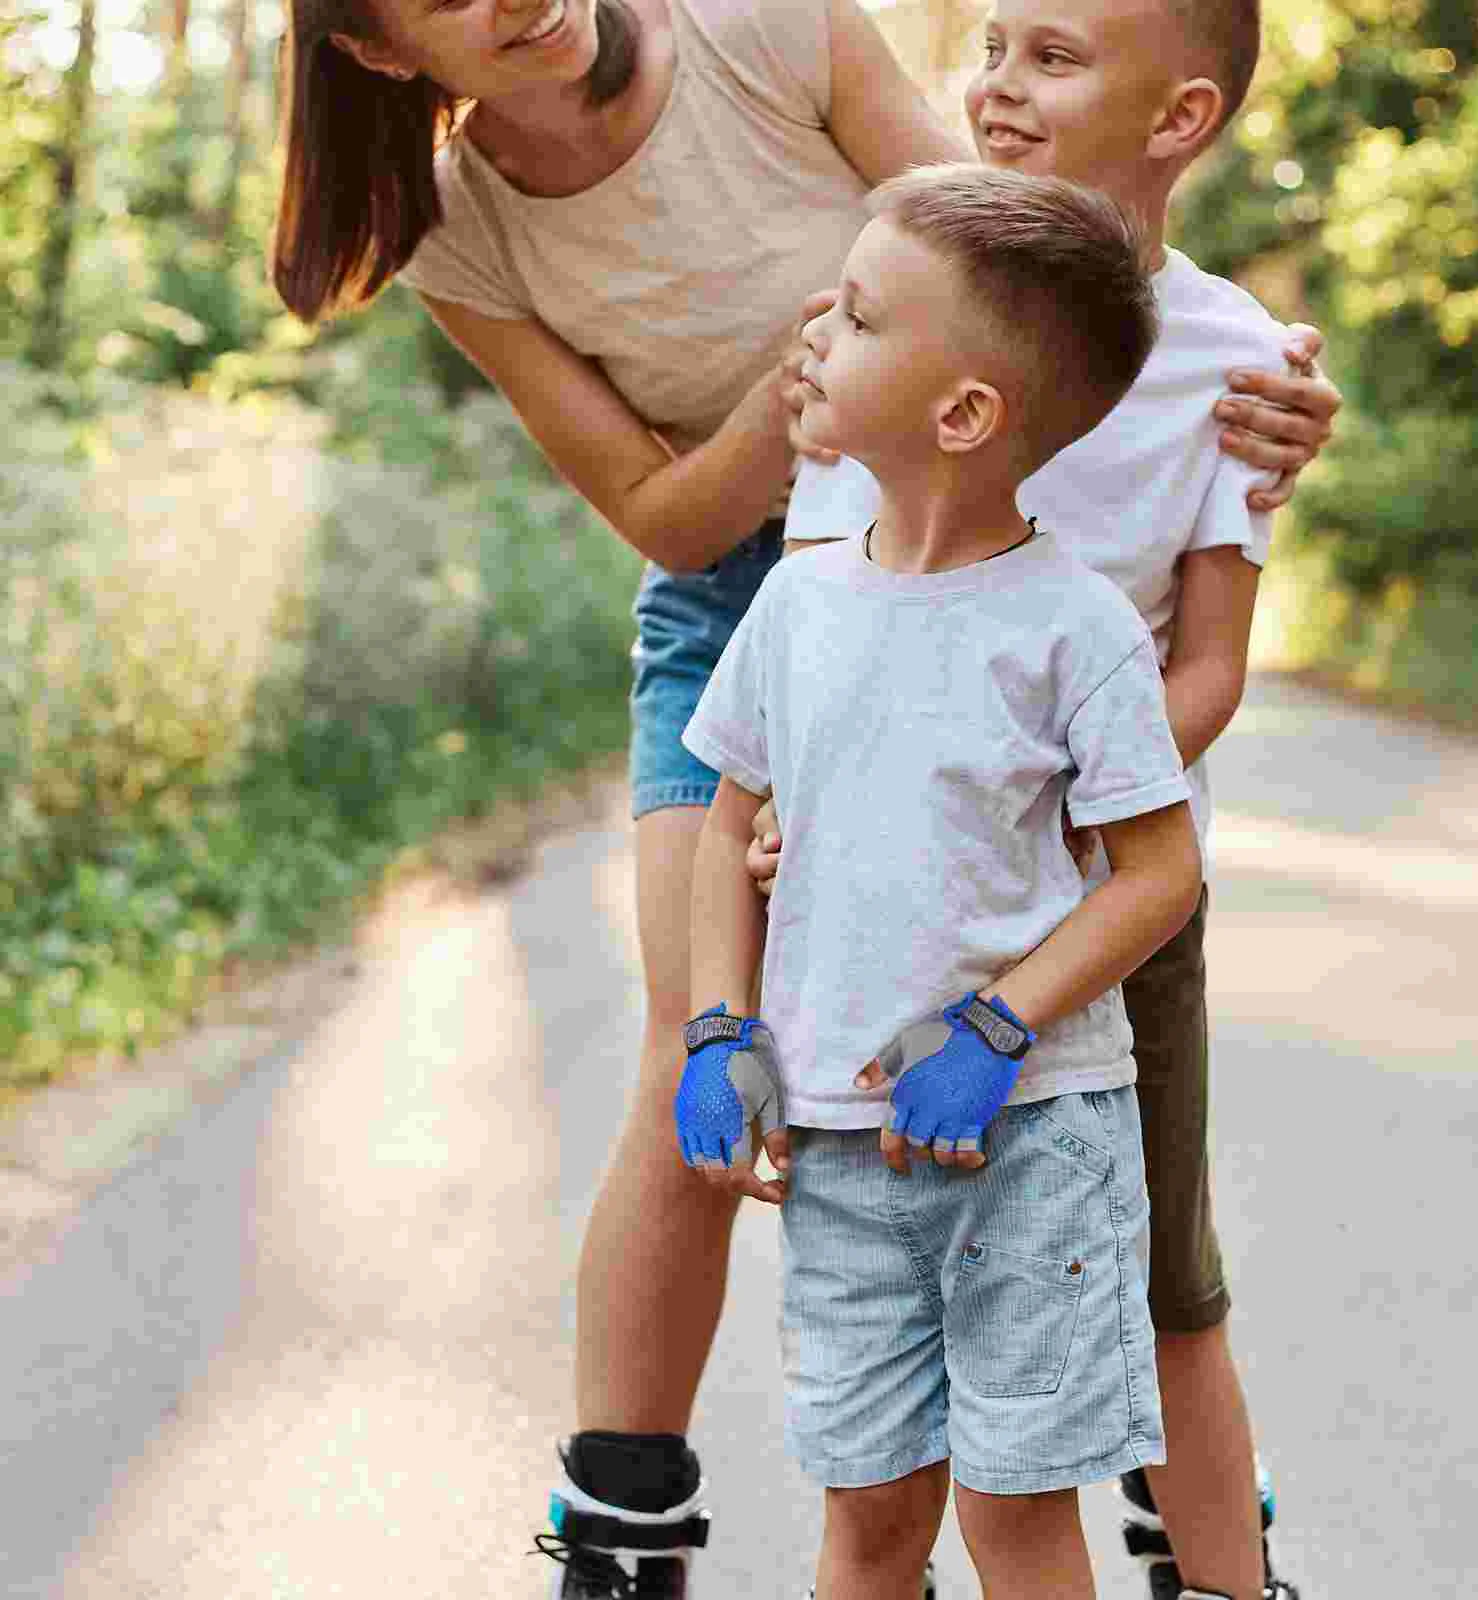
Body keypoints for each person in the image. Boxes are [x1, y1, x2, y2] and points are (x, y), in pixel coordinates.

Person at [269, 0, 1338, 1592]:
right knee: (708, 1046)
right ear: (380, 52)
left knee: (1114, 1171)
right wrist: (828, 394)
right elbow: (675, 516)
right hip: (773, 581)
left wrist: (1235, 386)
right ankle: (631, 1525)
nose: (516, 0)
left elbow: (1022, 286)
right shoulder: (464, 234)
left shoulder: (766, 31)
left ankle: (1182, 1512)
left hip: (982, 570)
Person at [756, 1, 1325, 1596]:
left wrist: (1066, 813)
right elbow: (822, 608)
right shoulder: (906, 298)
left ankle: (1229, 1583)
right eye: (995, 45)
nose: (998, 85)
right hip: (888, 919)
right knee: (886, 1310)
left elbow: (1209, 664)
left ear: (1180, 114)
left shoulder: (1237, 358)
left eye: (1054, 57)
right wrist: (814, 806)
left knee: (1165, 1292)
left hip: (1108, 914)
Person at [676, 163, 1199, 1600]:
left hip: (1033, 1141)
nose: (812, 337)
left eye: (853, 317)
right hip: (842, 1150)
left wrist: (996, 1028)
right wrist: (720, 1031)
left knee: (1015, 1522)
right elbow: (727, 831)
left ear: (963, 413)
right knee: (867, 1526)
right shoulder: (797, 604)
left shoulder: (1074, 627)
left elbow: (1158, 873)